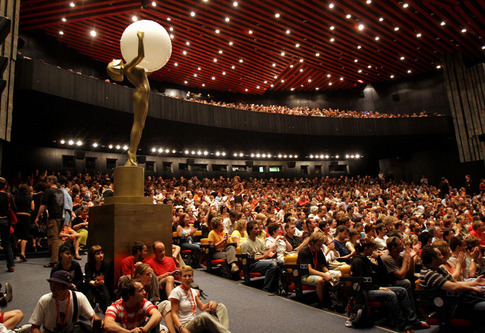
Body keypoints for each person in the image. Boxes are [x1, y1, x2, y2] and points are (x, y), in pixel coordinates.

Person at [351, 239, 429, 333]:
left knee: (402, 290)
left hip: (373, 287)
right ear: (366, 249)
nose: (374, 251)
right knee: (390, 294)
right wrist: (378, 288)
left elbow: (382, 273)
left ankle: (413, 321)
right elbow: (362, 282)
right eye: (372, 248)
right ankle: (401, 325)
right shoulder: (357, 261)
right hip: (364, 291)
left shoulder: (365, 260)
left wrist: (378, 259)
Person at [107, 30, 150, 166]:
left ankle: (133, 151)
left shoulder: (130, 69)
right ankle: (132, 152)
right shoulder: (127, 68)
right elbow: (141, 55)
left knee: (141, 124)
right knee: (138, 123)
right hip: (140, 93)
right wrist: (140, 38)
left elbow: (145, 72)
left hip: (144, 93)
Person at [29, 270, 98, 333]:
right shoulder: (44, 300)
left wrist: (96, 322)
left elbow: (92, 317)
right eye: (51, 285)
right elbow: (35, 327)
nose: (52, 289)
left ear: (66, 287)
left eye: (56, 286)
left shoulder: (79, 297)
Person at [169, 266, 230, 333]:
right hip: (185, 325)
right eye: (184, 276)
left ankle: (224, 331)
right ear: (180, 277)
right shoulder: (176, 291)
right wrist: (181, 329)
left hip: (194, 321)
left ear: (192, 278)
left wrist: (210, 303)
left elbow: (202, 307)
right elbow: (174, 313)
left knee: (221, 307)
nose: (187, 279)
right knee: (204, 316)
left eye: (189, 276)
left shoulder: (192, 291)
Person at [240, 220, 281, 293]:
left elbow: (264, 253)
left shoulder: (259, 241)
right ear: (250, 230)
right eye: (255, 229)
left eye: (258, 228)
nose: (258, 230)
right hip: (252, 264)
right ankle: (266, 289)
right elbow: (247, 261)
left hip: (262, 261)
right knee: (272, 264)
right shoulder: (245, 243)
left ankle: (279, 287)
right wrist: (263, 256)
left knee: (281, 262)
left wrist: (269, 253)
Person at [297, 232, 333, 306]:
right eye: (319, 245)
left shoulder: (318, 251)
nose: (320, 246)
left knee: (338, 275)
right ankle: (322, 302)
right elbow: (309, 270)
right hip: (305, 276)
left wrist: (328, 272)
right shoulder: (304, 251)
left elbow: (322, 266)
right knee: (320, 280)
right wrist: (324, 275)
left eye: (321, 244)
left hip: (317, 272)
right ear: (313, 242)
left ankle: (334, 300)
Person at [35, 175, 64, 268]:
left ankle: (54, 261)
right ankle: (58, 259)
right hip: (61, 217)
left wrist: (37, 217)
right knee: (57, 238)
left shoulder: (48, 191)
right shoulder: (61, 192)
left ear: (51, 181)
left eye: (47, 181)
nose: (46, 183)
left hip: (53, 217)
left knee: (53, 239)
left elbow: (43, 205)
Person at [85, 245, 112, 311]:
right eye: (98, 254)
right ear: (92, 256)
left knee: (107, 304)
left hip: (102, 285)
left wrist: (102, 281)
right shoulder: (88, 265)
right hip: (92, 285)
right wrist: (94, 283)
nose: (101, 255)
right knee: (88, 304)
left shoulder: (105, 264)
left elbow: (107, 278)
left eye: (102, 253)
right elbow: (88, 279)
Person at [13, 184, 33, 262]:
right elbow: (32, 207)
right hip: (26, 215)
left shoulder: (16, 197)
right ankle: (23, 252)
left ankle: (15, 247)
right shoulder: (29, 197)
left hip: (18, 215)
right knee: (25, 234)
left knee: (16, 232)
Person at [0, 177, 16, 272]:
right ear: (5, 185)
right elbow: (14, 208)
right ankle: (11, 265)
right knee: (7, 243)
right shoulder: (8, 195)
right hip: (5, 220)